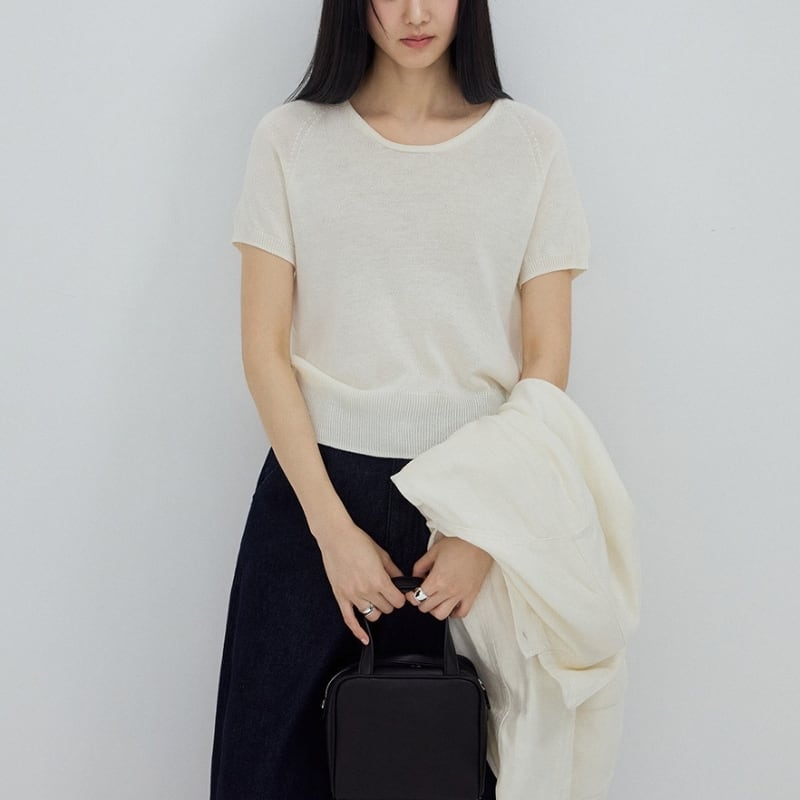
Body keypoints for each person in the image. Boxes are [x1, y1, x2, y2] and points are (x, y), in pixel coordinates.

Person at [210, 1, 591, 798]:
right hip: (316, 490)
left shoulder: (530, 145)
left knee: (461, 766)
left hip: (473, 495)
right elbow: (263, 352)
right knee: (265, 770)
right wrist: (332, 534)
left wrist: (484, 530)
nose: (417, 13)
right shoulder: (289, 139)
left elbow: (547, 360)